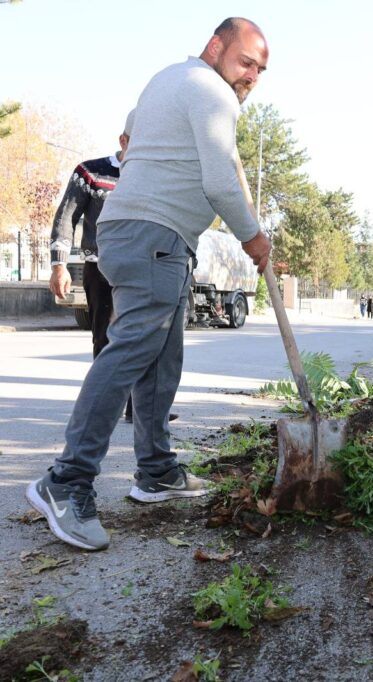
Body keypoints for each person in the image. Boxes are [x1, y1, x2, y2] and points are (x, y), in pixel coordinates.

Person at [27, 17, 272, 552]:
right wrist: (254, 240)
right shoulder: (214, 94)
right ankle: (66, 482)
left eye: (260, 69)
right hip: (151, 232)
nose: (251, 74)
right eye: (245, 61)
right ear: (216, 47)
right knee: (132, 349)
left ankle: (156, 470)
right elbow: (217, 182)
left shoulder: (171, 79)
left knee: (163, 354)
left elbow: (153, 136)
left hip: (143, 234)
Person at [48, 112, 177, 426]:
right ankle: (103, 407)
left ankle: (142, 410)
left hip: (144, 270)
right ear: (123, 141)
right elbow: (66, 218)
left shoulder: (155, 178)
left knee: (147, 339)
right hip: (101, 268)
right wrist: (58, 265)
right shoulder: (91, 173)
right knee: (106, 339)